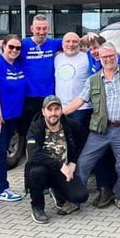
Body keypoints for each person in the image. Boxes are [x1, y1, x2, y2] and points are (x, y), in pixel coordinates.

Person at [63, 42, 120, 211]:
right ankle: (75, 200)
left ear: (116, 55)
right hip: (100, 130)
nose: (108, 59)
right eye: (104, 57)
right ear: (100, 58)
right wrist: (59, 113)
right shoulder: (93, 79)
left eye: (111, 55)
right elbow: (79, 100)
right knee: (82, 164)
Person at [25, 95, 89, 224]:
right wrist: (60, 165)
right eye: (50, 110)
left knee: (81, 196)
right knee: (36, 172)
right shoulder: (35, 127)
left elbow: (83, 139)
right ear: (43, 112)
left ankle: (58, 193)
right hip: (43, 170)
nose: (53, 113)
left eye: (57, 109)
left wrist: (73, 161)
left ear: (61, 110)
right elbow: (33, 155)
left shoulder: (70, 125)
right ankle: (38, 208)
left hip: (63, 171)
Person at [0, 34, 25, 202]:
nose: (14, 50)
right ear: (4, 46)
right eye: (11, 47)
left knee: (2, 151)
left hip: (14, 117)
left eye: (18, 48)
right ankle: (1, 188)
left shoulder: (18, 64)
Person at [19, 14, 63, 136]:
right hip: (28, 97)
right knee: (28, 132)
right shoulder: (23, 44)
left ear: (48, 29)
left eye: (45, 28)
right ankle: (30, 154)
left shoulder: (54, 43)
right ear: (31, 29)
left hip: (48, 98)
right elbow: (6, 52)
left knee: (47, 131)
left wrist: (90, 35)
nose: (41, 32)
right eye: (38, 28)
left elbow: (74, 42)